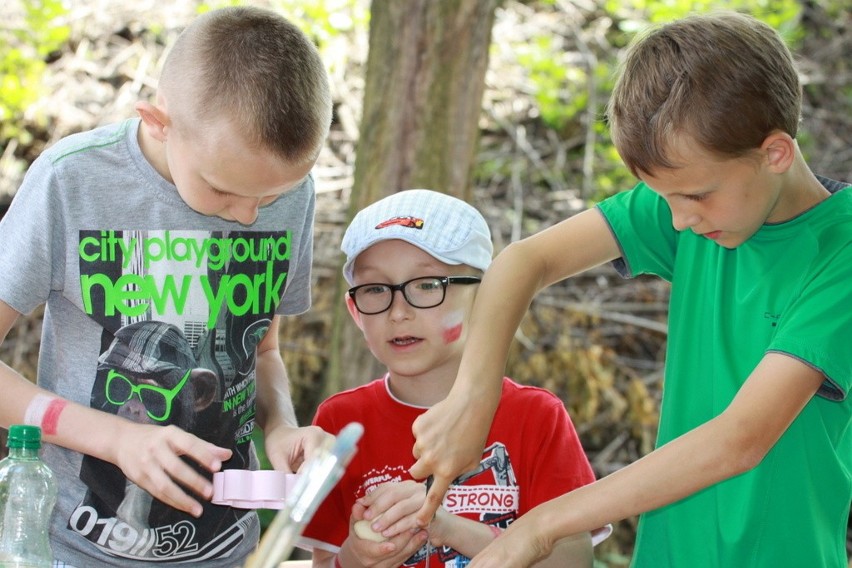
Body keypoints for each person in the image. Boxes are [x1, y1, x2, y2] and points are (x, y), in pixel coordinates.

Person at [407, 11, 852, 568]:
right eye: (663, 198)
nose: (680, 221)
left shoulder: (842, 253)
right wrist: (474, 396)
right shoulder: (697, 205)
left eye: (694, 196)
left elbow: (741, 438)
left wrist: (542, 524)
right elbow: (525, 261)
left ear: (775, 153)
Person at [0, 6, 333, 566]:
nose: (249, 215)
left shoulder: (287, 189)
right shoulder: (73, 181)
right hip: (71, 545)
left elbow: (263, 348)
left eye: (270, 198)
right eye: (223, 191)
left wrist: (281, 427)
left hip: (226, 548)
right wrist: (115, 439)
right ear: (158, 121)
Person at [300, 189, 609, 568]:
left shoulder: (537, 416)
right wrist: (354, 557)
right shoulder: (340, 423)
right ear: (354, 310)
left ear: (488, 298)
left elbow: (572, 561)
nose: (398, 311)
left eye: (427, 285)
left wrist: (443, 526)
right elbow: (324, 562)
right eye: (376, 289)